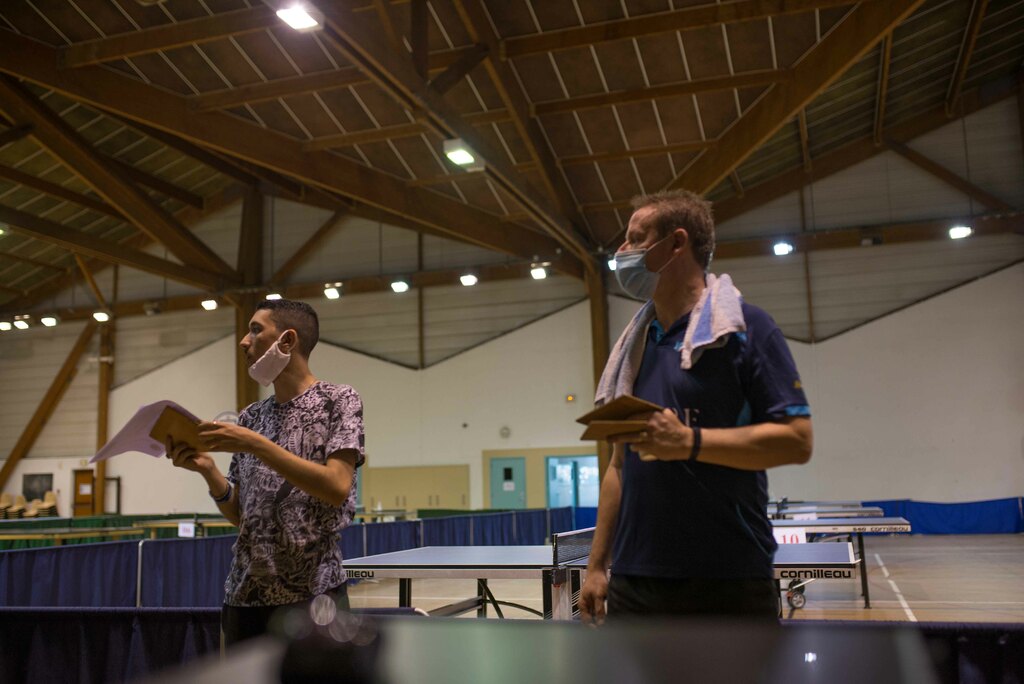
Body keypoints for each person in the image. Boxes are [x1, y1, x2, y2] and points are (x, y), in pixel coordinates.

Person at [579, 190, 813, 624]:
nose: (622, 251)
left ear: (676, 243)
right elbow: (619, 467)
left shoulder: (747, 329)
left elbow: (797, 441)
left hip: (728, 580)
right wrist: (596, 565)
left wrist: (690, 442)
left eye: (636, 238)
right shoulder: (633, 349)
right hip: (635, 580)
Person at [166, 299, 364, 645]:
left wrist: (256, 444)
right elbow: (241, 516)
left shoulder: (339, 401)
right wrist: (209, 471)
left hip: (314, 596)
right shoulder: (251, 417)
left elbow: (337, 487)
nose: (244, 341)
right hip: (244, 599)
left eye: (256, 330)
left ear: (287, 340)